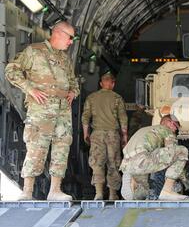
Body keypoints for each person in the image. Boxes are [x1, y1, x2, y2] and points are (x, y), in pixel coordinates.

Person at [5, 21, 79, 201]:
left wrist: (73, 92)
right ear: (58, 33)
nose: (71, 42)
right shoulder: (34, 51)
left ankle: (55, 191)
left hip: (62, 110)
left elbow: (73, 81)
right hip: (41, 109)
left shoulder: (65, 58)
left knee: (61, 148)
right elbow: (11, 70)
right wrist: (29, 88)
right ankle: (27, 192)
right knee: (37, 147)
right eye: (70, 38)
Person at [82, 71, 128, 200]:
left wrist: (86, 134)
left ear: (101, 83)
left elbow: (85, 117)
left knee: (97, 163)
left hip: (97, 135)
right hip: (113, 135)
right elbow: (123, 119)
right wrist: (125, 136)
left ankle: (99, 193)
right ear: (113, 84)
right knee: (113, 163)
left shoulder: (91, 98)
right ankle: (113, 194)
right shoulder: (117, 98)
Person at [119, 115, 189, 200]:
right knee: (182, 151)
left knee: (142, 194)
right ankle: (167, 190)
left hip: (126, 164)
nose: (175, 130)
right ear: (168, 122)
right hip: (142, 161)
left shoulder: (144, 130)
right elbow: (174, 154)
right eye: (175, 127)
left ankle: (133, 184)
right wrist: (185, 179)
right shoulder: (166, 130)